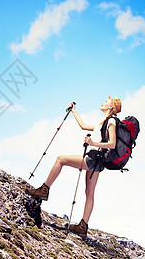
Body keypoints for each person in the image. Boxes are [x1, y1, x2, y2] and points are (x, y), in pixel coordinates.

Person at [26, 97, 122, 238]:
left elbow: (112, 144)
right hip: (97, 161)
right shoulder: (103, 122)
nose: (103, 102)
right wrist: (74, 111)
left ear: (111, 106)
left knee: (61, 160)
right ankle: (83, 226)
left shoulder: (111, 122)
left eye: (106, 102)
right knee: (89, 193)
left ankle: (44, 190)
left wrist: (93, 142)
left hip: (93, 159)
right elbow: (83, 126)